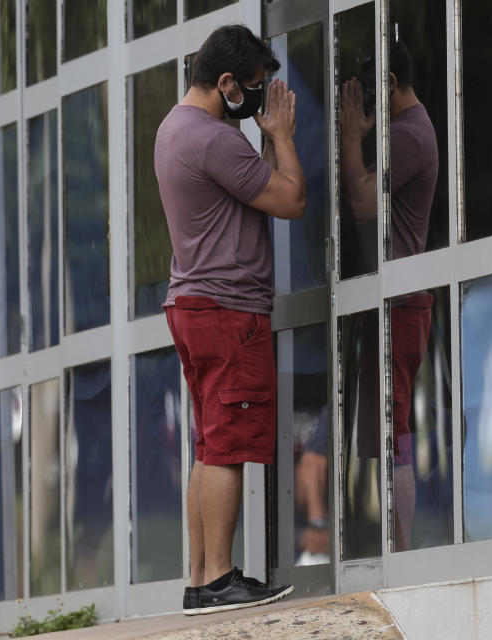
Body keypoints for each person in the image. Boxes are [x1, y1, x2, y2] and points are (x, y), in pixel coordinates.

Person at [154, 24, 306, 615]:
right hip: (227, 308)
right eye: (253, 87)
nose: (260, 98)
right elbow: (290, 201)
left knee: (209, 442)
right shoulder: (215, 140)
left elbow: (251, 192)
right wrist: (283, 135)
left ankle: (199, 578)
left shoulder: (175, 128)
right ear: (224, 83)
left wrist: (262, 141)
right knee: (227, 445)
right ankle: (219, 577)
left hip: (193, 303)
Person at [340, 40, 439, 551]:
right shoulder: (411, 129)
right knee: (390, 432)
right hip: (397, 300)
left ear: (391, 86)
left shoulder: (406, 135)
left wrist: (350, 136)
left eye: (370, 95)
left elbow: (360, 202)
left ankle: (401, 552)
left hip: (398, 304)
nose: (365, 108)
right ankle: (397, 546)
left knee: (395, 432)